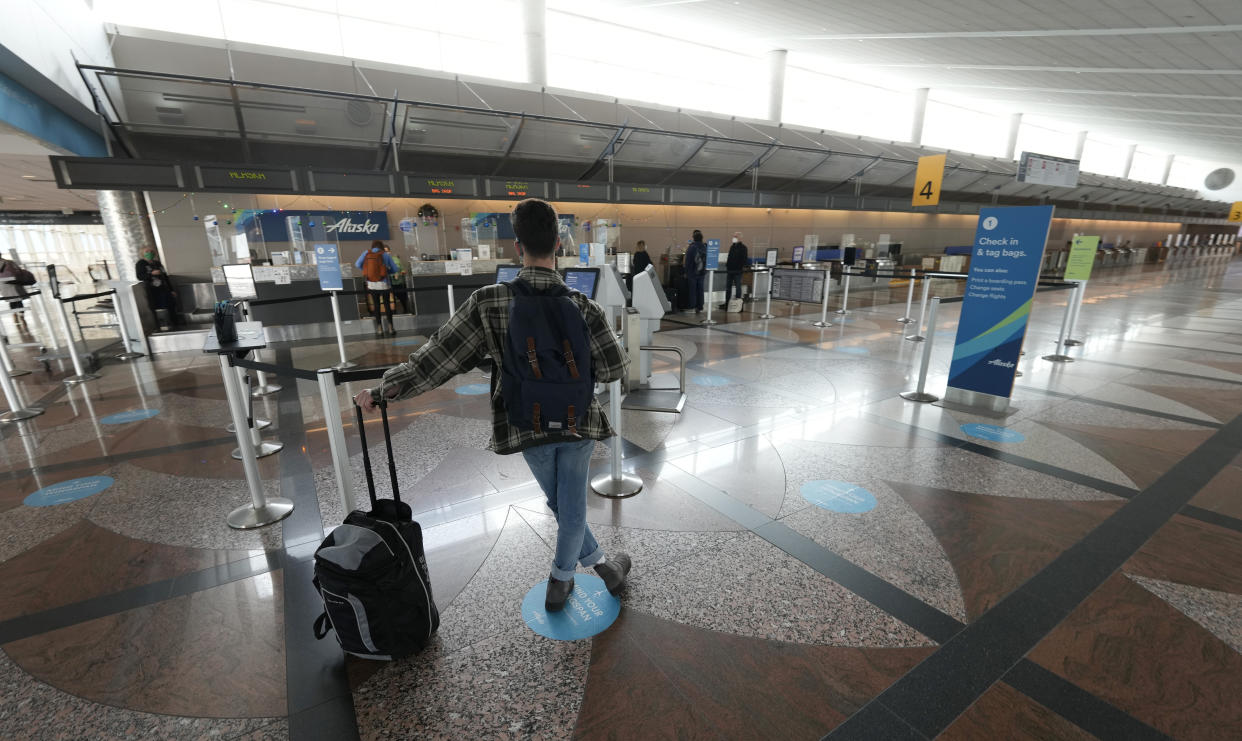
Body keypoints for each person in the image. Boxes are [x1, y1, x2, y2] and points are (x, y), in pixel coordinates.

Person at [354, 198, 632, 612]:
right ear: (558, 244)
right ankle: (571, 579)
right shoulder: (583, 305)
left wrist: (383, 391)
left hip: (525, 422)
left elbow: (437, 359)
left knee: (562, 503)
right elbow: (613, 369)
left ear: (517, 246)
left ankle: (589, 572)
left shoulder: (489, 301)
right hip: (579, 421)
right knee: (568, 503)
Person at [356, 240, 399, 337]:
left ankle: (379, 328)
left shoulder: (366, 253)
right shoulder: (385, 255)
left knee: (376, 305)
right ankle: (391, 327)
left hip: (371, 284)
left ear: (373, 246)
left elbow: (357, 264)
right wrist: (388, 272)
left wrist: (367, 271)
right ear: (382, 246)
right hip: (384, 284)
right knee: (387, 305)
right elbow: (395, 269)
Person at [135, 248, 181, 327]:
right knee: (160, 308)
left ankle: (175, 324)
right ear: (142, 254)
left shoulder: (157, 263)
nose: (150, 253)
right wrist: (151, 274)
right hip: (153, 291)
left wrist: (171, 290)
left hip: (164, 289)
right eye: (147, 252)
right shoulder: (141, 264)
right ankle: (164, 326)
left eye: (151, 251)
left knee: (171, 306)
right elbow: (140, 276)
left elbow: (165, 277)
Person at [722, 232, 748, 309]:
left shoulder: (743, 248)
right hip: (730, 270)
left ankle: (738, 303)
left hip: (737, 271)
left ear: (740, 238)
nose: (734, 238)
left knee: (738, 287)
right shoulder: (732, 247)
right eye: (733, 236)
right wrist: (728, 267)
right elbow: (729, 258)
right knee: (728, 287)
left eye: (735, 236)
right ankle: (727, 303)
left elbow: (743, 260)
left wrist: (739, 268)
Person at [384, 245, 410, 315]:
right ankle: (393, 313)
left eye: (387, 251)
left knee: (403, 299)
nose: (386, 253)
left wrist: (400, 273)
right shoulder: (381, 262)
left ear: (389, 251)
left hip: (399, 283)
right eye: (384, 252)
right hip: (387, 284)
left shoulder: (396, 259)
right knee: (391, 301)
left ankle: (406, 310)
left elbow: (403, 270)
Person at [684, 230, 706, 313]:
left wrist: (686, 272)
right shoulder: (704, 247)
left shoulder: (692, 247)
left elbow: (688, 261)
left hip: (692, 273)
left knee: (692, 290)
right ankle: (700, 306)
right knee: (700, 289)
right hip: (702, 273)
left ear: (694, 238)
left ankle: (692, 306)